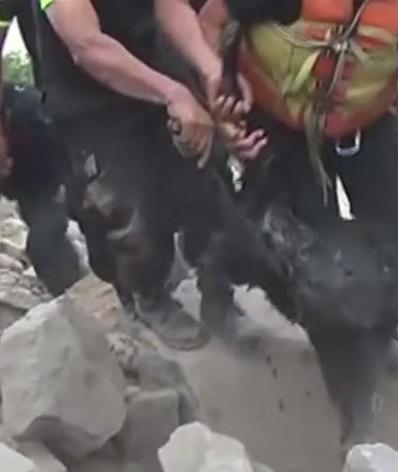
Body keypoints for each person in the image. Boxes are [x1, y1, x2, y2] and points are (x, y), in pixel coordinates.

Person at [30, 0, 240, 350]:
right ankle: (149, 296)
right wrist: (173, 94)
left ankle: (217, 286)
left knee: (205, 178)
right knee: (133, 213)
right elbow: (87, 46)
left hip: (153, 63)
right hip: (90, 102)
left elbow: (168, 4)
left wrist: (210, 67)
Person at [197, 0, 398, 228]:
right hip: (276, 125)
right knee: (288, 245)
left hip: (368, 125)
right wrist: (222, 103)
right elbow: (210, 22)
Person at [0, 0, 82, 296]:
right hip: (24, 178)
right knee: (43, 234)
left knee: (49, 234)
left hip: (39, 139)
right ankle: (73, 295)